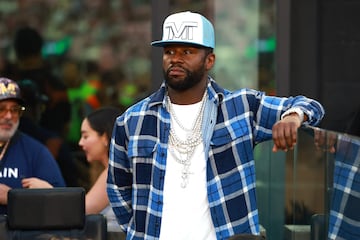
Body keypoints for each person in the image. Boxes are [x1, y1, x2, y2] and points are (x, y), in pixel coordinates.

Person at [106, 11, 325, 239]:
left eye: (187, 51)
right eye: (169, 51)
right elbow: (117, 188)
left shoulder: (240, 107)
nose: (175, 59)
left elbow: (310, 105)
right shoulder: (133, 120)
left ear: (209, 60)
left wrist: (292, 117)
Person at [0, 77, 66, 214]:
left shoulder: (36, 152)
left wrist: (13, 198)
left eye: (14, 110)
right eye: (1, 109)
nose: (8, 116)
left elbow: (64, 208)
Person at [78, 106, 122, 231]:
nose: (80, 143)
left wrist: (47, 191)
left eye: (85, 136)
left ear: (104, 137)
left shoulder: (114, 173)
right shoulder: (113, 170)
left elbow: (77, 212)